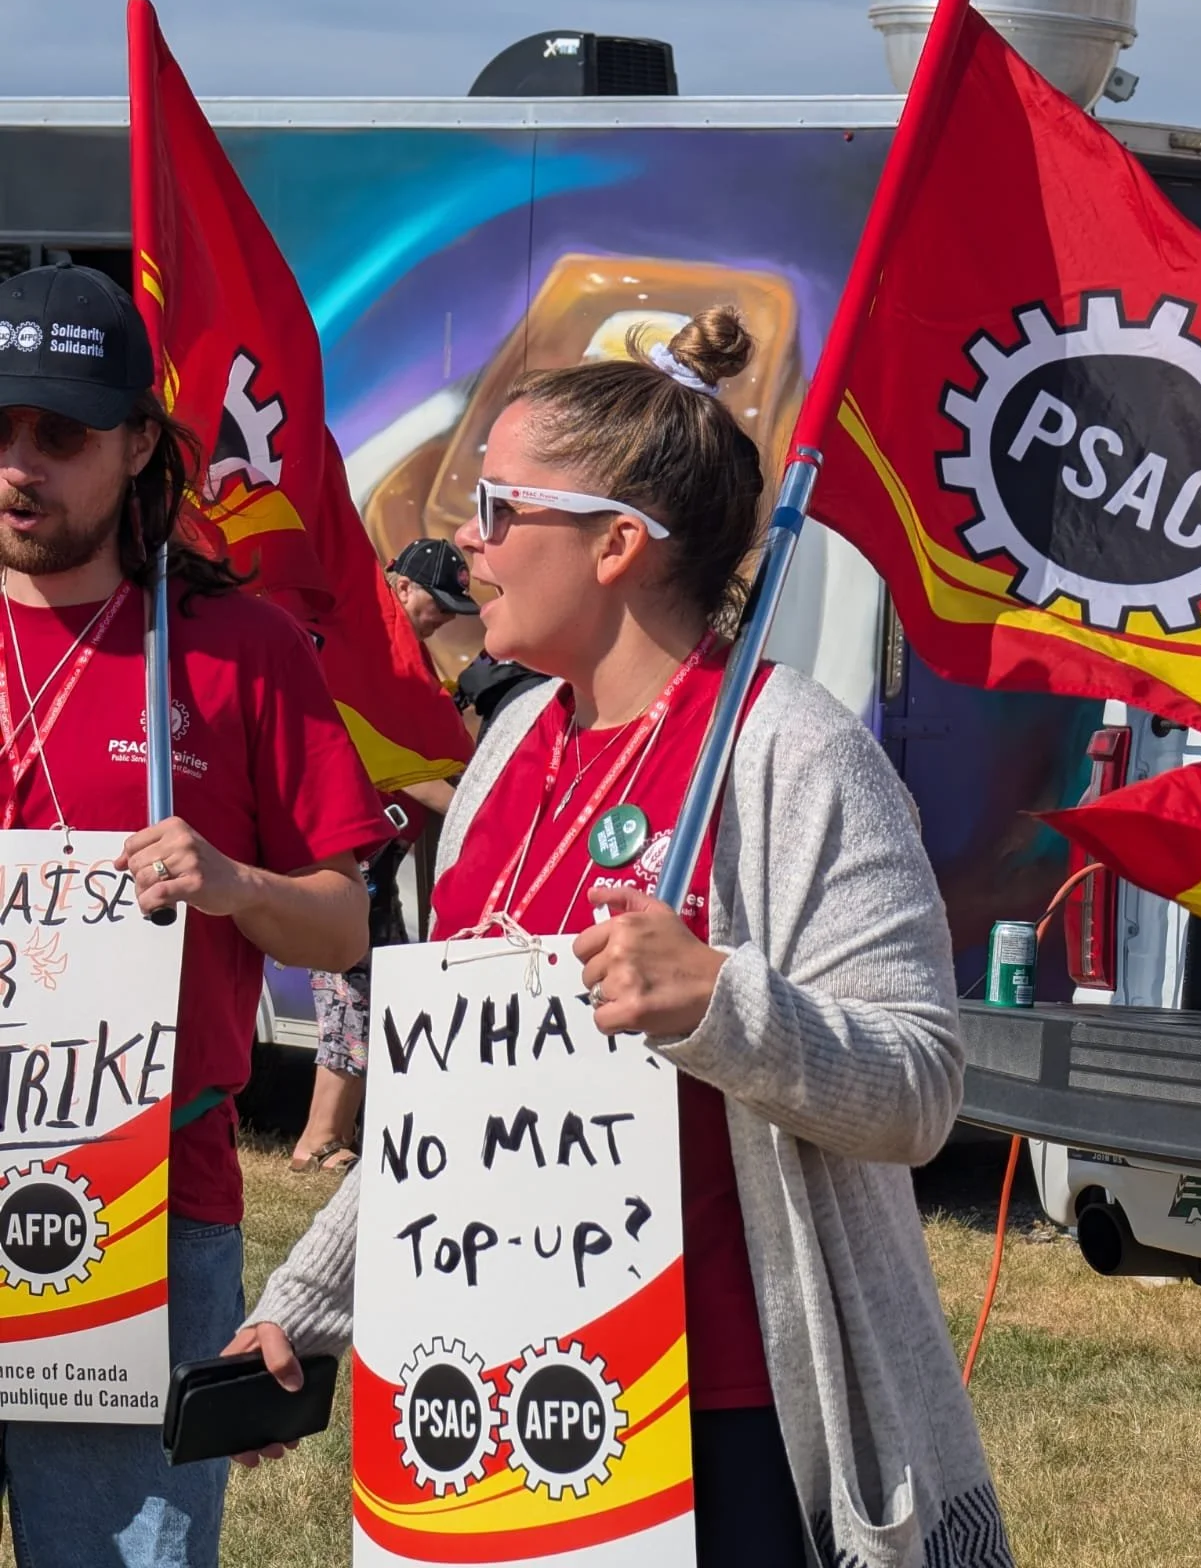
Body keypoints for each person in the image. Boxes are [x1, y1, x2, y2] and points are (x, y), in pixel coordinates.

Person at [231, 307, 1014, 1567]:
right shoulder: (500, 765)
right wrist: (308, 1307)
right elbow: (458, 1109)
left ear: (614, 545)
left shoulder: (790, 753)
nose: (462, 546)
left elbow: (918, 1088)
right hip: (495, 1406)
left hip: (731, 1425)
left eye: (496, 508)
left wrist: (720, 1002)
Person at [0, 259, 391, 1567]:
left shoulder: (235, 644)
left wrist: (235, 885)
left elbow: (345, 925)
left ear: (136, 448)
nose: (19, 463)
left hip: (145, 1209)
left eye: (58, 434)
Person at [290, 537, 478, 1172]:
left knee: (383, 990)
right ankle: (319, 1140)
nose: (445, 618)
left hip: (384, 862)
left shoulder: (410, 668)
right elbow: (396, 769)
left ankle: (344, 1134)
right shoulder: (365, 661)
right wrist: (472, 806)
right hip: (347, 859)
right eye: (438, 603)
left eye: (456, 607)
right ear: (399, 588)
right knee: (352, 992)